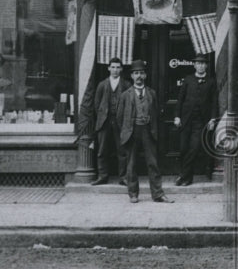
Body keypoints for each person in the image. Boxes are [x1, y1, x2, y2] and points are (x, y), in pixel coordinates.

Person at [117, 59, 173, 203]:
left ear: (145, 75)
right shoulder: (125, 95)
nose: (139, 76)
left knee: (153, 163)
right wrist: (128, 128)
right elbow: (119, 117)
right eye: (136, 73)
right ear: (132, 76)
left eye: (141, 73)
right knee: (132, 163)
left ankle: (158, 194)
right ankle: (133, 194)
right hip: (132, 130)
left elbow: (157, 115)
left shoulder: (152, 93)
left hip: (148, 130)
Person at [173, 54, 218, 186]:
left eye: (203, 63)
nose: (200, 66)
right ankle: (186, 176)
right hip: (186, 120)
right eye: (198, 63)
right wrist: (177, 116)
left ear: (206, 66)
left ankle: (184, 176)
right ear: (194, 65)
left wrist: (213, 119)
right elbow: (180, 100)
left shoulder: (211, 82)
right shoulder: (188, 80)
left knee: (194, 148)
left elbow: (214, 102)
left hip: (201, 121)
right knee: (183, 148)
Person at [91, 57, 131, 186]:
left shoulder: (126, 85)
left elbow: (130, 104)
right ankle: (102, 176)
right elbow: (97, 104)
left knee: (122, 149)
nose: (115, 70)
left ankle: (123, 177)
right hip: (105, 121)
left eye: (117, 67)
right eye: (112, 67)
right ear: (108, 68)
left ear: (121, 69)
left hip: (120, 121)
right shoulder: (102, 84)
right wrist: (103, 116)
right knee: (102, 150)